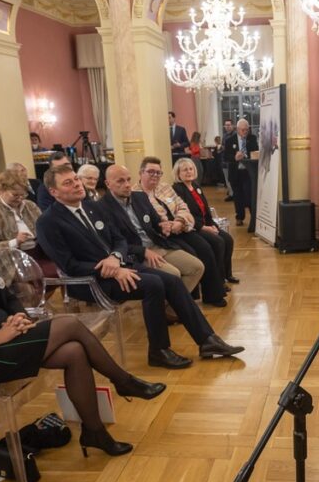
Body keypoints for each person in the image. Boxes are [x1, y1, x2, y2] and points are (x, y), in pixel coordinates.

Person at [0, 193, 166, 459]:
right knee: (69, 324)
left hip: (9, 337)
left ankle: (94, 431)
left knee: (74, 352)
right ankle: (123, 381)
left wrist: (19, 316)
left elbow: (7, 296)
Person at [35, 165, 243, 369]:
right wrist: (112, 268)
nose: (77, 185)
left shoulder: (91, 207)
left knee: (171, 280)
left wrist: (116, 257)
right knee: (154, 284)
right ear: (54, 192)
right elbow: (69, 265)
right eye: (68, 183)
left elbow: (119, 240)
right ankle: (158, 351)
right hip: (92, 280)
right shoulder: (48, 222)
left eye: (76, 179)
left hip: (120, 266)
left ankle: (207, 340)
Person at [131, 156, 227, 306]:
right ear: (141, 173)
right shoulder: (135, 195)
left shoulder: (165, 187)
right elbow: (150, 223)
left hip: (181, 227)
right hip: (164, 236)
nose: (155, 176)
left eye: (158, 173)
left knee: (209, 246)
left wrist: (179, 221)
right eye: (151, 172)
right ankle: (190, 299)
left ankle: (213, 293)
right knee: (198, 251)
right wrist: (169, 225)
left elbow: (183, 207)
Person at [99, 164, 205, 293]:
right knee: (173, 274)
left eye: (128, 179)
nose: (127, 184)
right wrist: (143, 251)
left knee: (197, 267)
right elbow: (114, 242)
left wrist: (163, 227)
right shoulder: (102, 208)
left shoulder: (140, 197)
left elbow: (156, 222)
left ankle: (172, 308)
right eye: (120, 181)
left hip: (157, 245)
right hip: (135, 254)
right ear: (108, 183)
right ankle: (173, 307)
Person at [0, 170, 56, 278]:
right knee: (31, 281)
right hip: (11, 261)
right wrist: (15, 241)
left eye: (23, 195)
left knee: (64, 268)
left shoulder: (30, 206)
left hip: (39, 253)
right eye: (15, 195)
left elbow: (45, 228)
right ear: (2, 190)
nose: (20, 199)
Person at [173, 157, 238, 285]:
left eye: (191, 169)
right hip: (193, 228)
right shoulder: (177, 189)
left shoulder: (196, 187)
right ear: (178, 173)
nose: (189, 172)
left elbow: (206, 210)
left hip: (206, 224)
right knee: (218, 242)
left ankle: (227, 274)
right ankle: (218, 281)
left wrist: (213, 225)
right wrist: (204, 228)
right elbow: (186, 215)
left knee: (228, 239)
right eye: (185, 170)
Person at [222, 119, 256, 226]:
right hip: (235, 173)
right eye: (242, 130)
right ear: (237, 130)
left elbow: (256, 152)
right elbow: (225, 157)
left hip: (248, 172)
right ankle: (239, 217)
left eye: (247, 130)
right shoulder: (229, 140)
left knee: (249, 195)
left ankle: (254, 218)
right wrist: (234, 157)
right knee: (238, 196)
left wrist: (246, 156)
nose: (245, 132)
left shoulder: (252, 138)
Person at [221, 119, 236, 199]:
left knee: (233, 179)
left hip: (232, 161)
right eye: (226, 125)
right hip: (224, 160)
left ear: (232, 126)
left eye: (229, 125)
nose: (227, 127)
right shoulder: (224, 135)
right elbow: (223, 146)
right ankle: (231, 194)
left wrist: (225, 148)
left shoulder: (235, 135)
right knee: (227, 179)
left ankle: (234, 194)